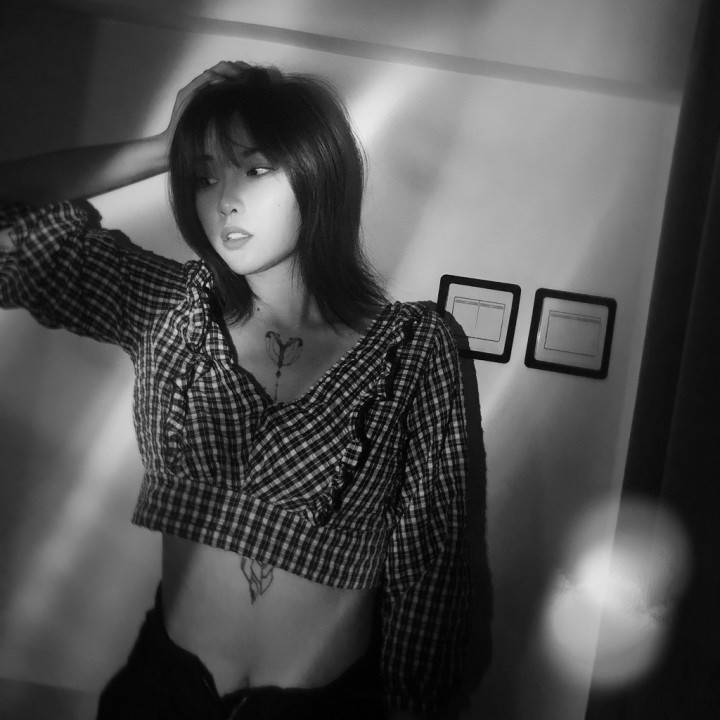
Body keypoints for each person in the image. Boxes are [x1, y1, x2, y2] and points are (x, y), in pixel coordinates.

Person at [0, 61, 474, 719]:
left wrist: (413, 707)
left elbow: (432, 561)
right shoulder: (172, 311)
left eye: (254, 170)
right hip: (163, 698)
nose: (223, 199)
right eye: (204, 175)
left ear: (317, 172)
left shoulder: (416, 347)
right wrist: (161, 148)